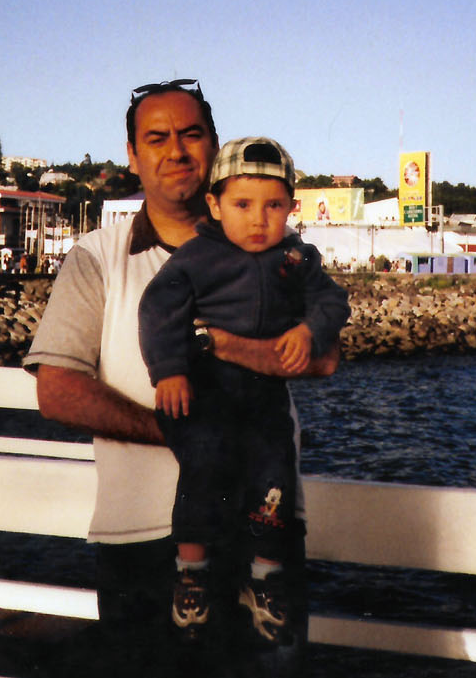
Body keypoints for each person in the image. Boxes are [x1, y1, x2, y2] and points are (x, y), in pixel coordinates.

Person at [24, 80, 338, 677]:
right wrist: (186, 434)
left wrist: (220, 344)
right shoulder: (96, 257)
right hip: (140, 539)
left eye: (191, 135)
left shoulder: (273, 248)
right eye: (157, 138)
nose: (176, 151)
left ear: (214, 146)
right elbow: (56, 389)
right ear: (132, 154)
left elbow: (324, 358)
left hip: (262, 534)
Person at [139, 136, 349, 649]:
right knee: (203, 464)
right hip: (204, 393)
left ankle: (265, 578)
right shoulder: (197, 257)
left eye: (274, 206)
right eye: (242, 205)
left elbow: (331, 301)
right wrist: (169, 370)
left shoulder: (296, 258)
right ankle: (192, 572)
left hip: (264, 396)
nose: (259, 219)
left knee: (275, 474)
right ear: (214, 205)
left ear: (291, 208)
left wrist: (308, 331)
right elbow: (158, 310)